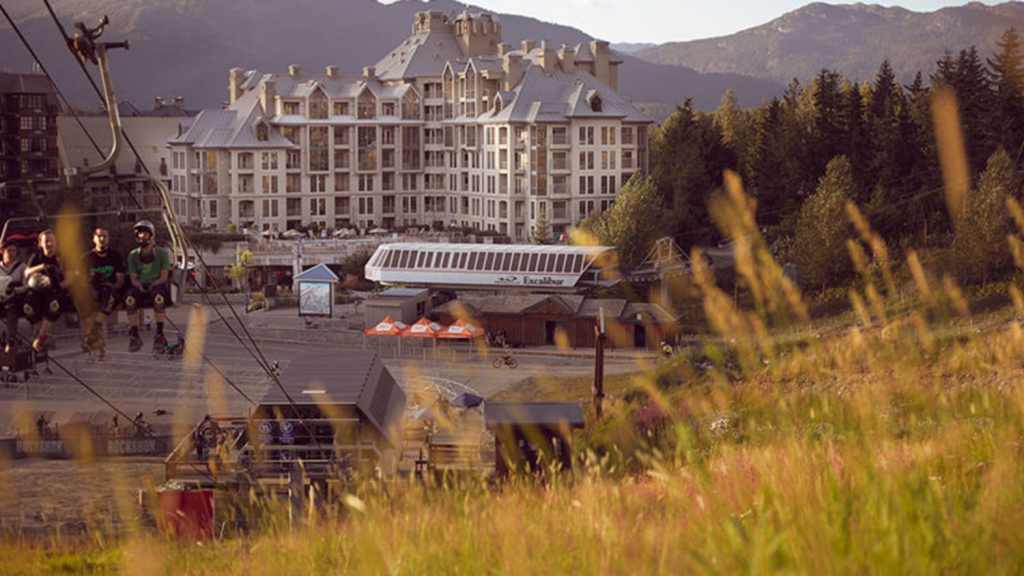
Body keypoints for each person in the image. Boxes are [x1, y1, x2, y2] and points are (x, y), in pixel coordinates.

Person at [125, 220, 173, 352]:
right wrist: (139, 285)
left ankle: (159, 333)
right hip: (140, 285)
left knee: (158, 298)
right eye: (139, 234)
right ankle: (134, 334)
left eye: (145, 234)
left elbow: (164, 277)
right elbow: (133, 278)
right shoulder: (133, 255)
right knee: (129, 300)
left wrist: (153, 284)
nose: (142, 237)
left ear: (151, 235)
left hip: (157, 284)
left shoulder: (162, 253)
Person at [83, 227, 126, 357]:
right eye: (99, 236)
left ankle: (94, 336)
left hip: (111, 292)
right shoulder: (87, 257)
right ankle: (99, 349)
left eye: (105, 236)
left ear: (108, 239)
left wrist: (111, 285)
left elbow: (120, 281)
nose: (102, 238)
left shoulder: (116, 256)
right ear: (94, 239)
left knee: (109, 294)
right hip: (93, 292)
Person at [24, 230, 69, 353]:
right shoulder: (36, 256)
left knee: (53, 305)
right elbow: (27, 273)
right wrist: (42, 267)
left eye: (51, 241)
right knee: (28, 306)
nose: (49, 244)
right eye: (46, 241)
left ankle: (40, 339)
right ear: (40, 244)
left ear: (56, 242)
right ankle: (41, 335)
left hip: (56, 291)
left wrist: (58, 285)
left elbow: (70, 279)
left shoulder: (62, 257)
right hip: (37, 291)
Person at [0, 239, 26, 352]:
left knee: (11, 308)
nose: (11, 253)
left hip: (15, 298)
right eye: (9, 250)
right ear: (2, 251)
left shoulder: (22, 267)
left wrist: (16, 290)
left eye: (14, 251)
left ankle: (11, 340)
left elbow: (27, 285)